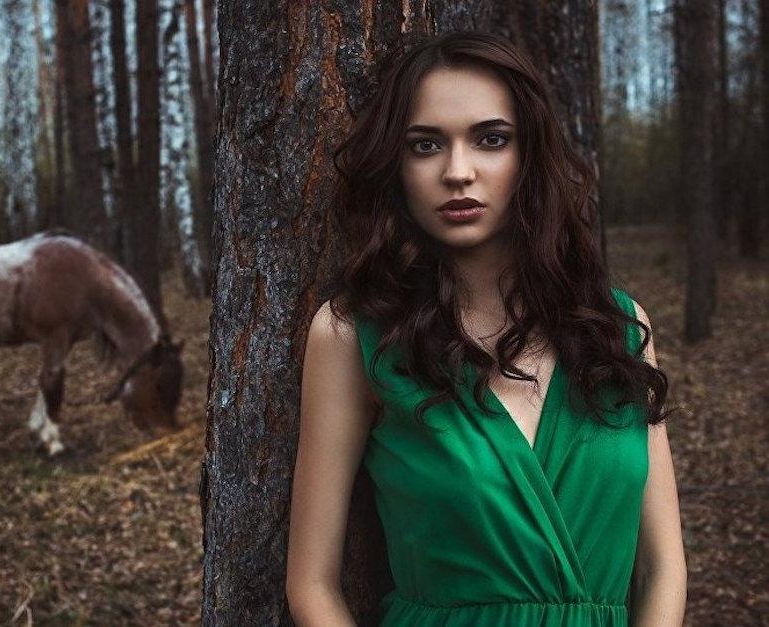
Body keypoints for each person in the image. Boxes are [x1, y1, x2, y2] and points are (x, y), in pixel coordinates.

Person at [285, 30, 687, 626]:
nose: (458, 172)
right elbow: (312, 585)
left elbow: (664, 569)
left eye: (491, 139)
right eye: (424, 146)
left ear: (529, 156)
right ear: (395, 165)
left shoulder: (617, 326)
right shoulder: (353, 337)